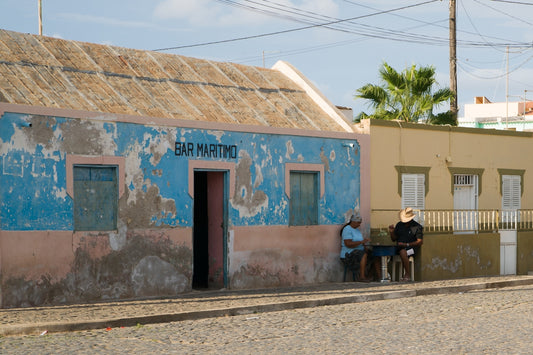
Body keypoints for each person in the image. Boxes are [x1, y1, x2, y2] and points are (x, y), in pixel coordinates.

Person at [388, 207, 423, 282]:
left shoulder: (416, 227)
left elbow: (419, 242)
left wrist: (406, 244)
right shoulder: (399, 225)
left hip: (411, 249)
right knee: (387, 252)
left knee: (403, 252)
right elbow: (394, 239)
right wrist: (391, 232)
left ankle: (407, 274)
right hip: (399, 247)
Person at [340, 213, 374, 282]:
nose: (359, 225)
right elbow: (348, 244)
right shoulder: (347, 229)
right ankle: (362, 277)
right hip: (348, 254)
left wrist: (365, 247)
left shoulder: (357, 230)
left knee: (374, 255)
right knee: (362, 255)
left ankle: (370, 276)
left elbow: (361, 241)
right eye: (358, 223)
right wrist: (361, 242)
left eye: (360, 223)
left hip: (358, 251)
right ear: (353, 221)